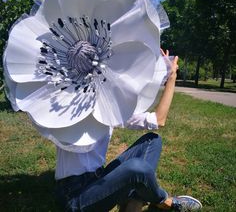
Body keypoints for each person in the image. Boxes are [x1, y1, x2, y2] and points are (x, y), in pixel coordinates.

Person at [55, 49, 202, 212]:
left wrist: (169, 75)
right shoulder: (65, 109)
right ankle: (164, 201)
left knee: (152, 141)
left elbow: (158, 120)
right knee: (136, 168)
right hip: (75, 198)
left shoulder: (105, 107)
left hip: (98, 180)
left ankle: (134, 202)